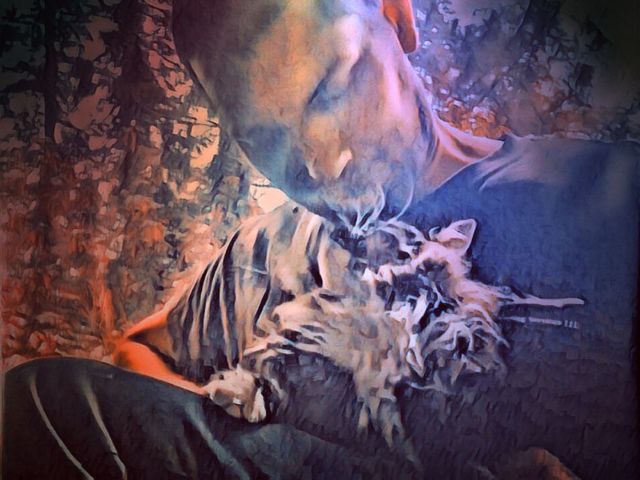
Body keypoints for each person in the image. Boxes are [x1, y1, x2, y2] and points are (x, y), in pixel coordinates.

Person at [3, 1, 639, 478]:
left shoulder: (613, 198)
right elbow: (136, 352)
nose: (323, 164)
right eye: (265, 139)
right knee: (38, 401)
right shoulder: (261, 251)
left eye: (332, 89)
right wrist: (246, 440)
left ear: (396, 16)